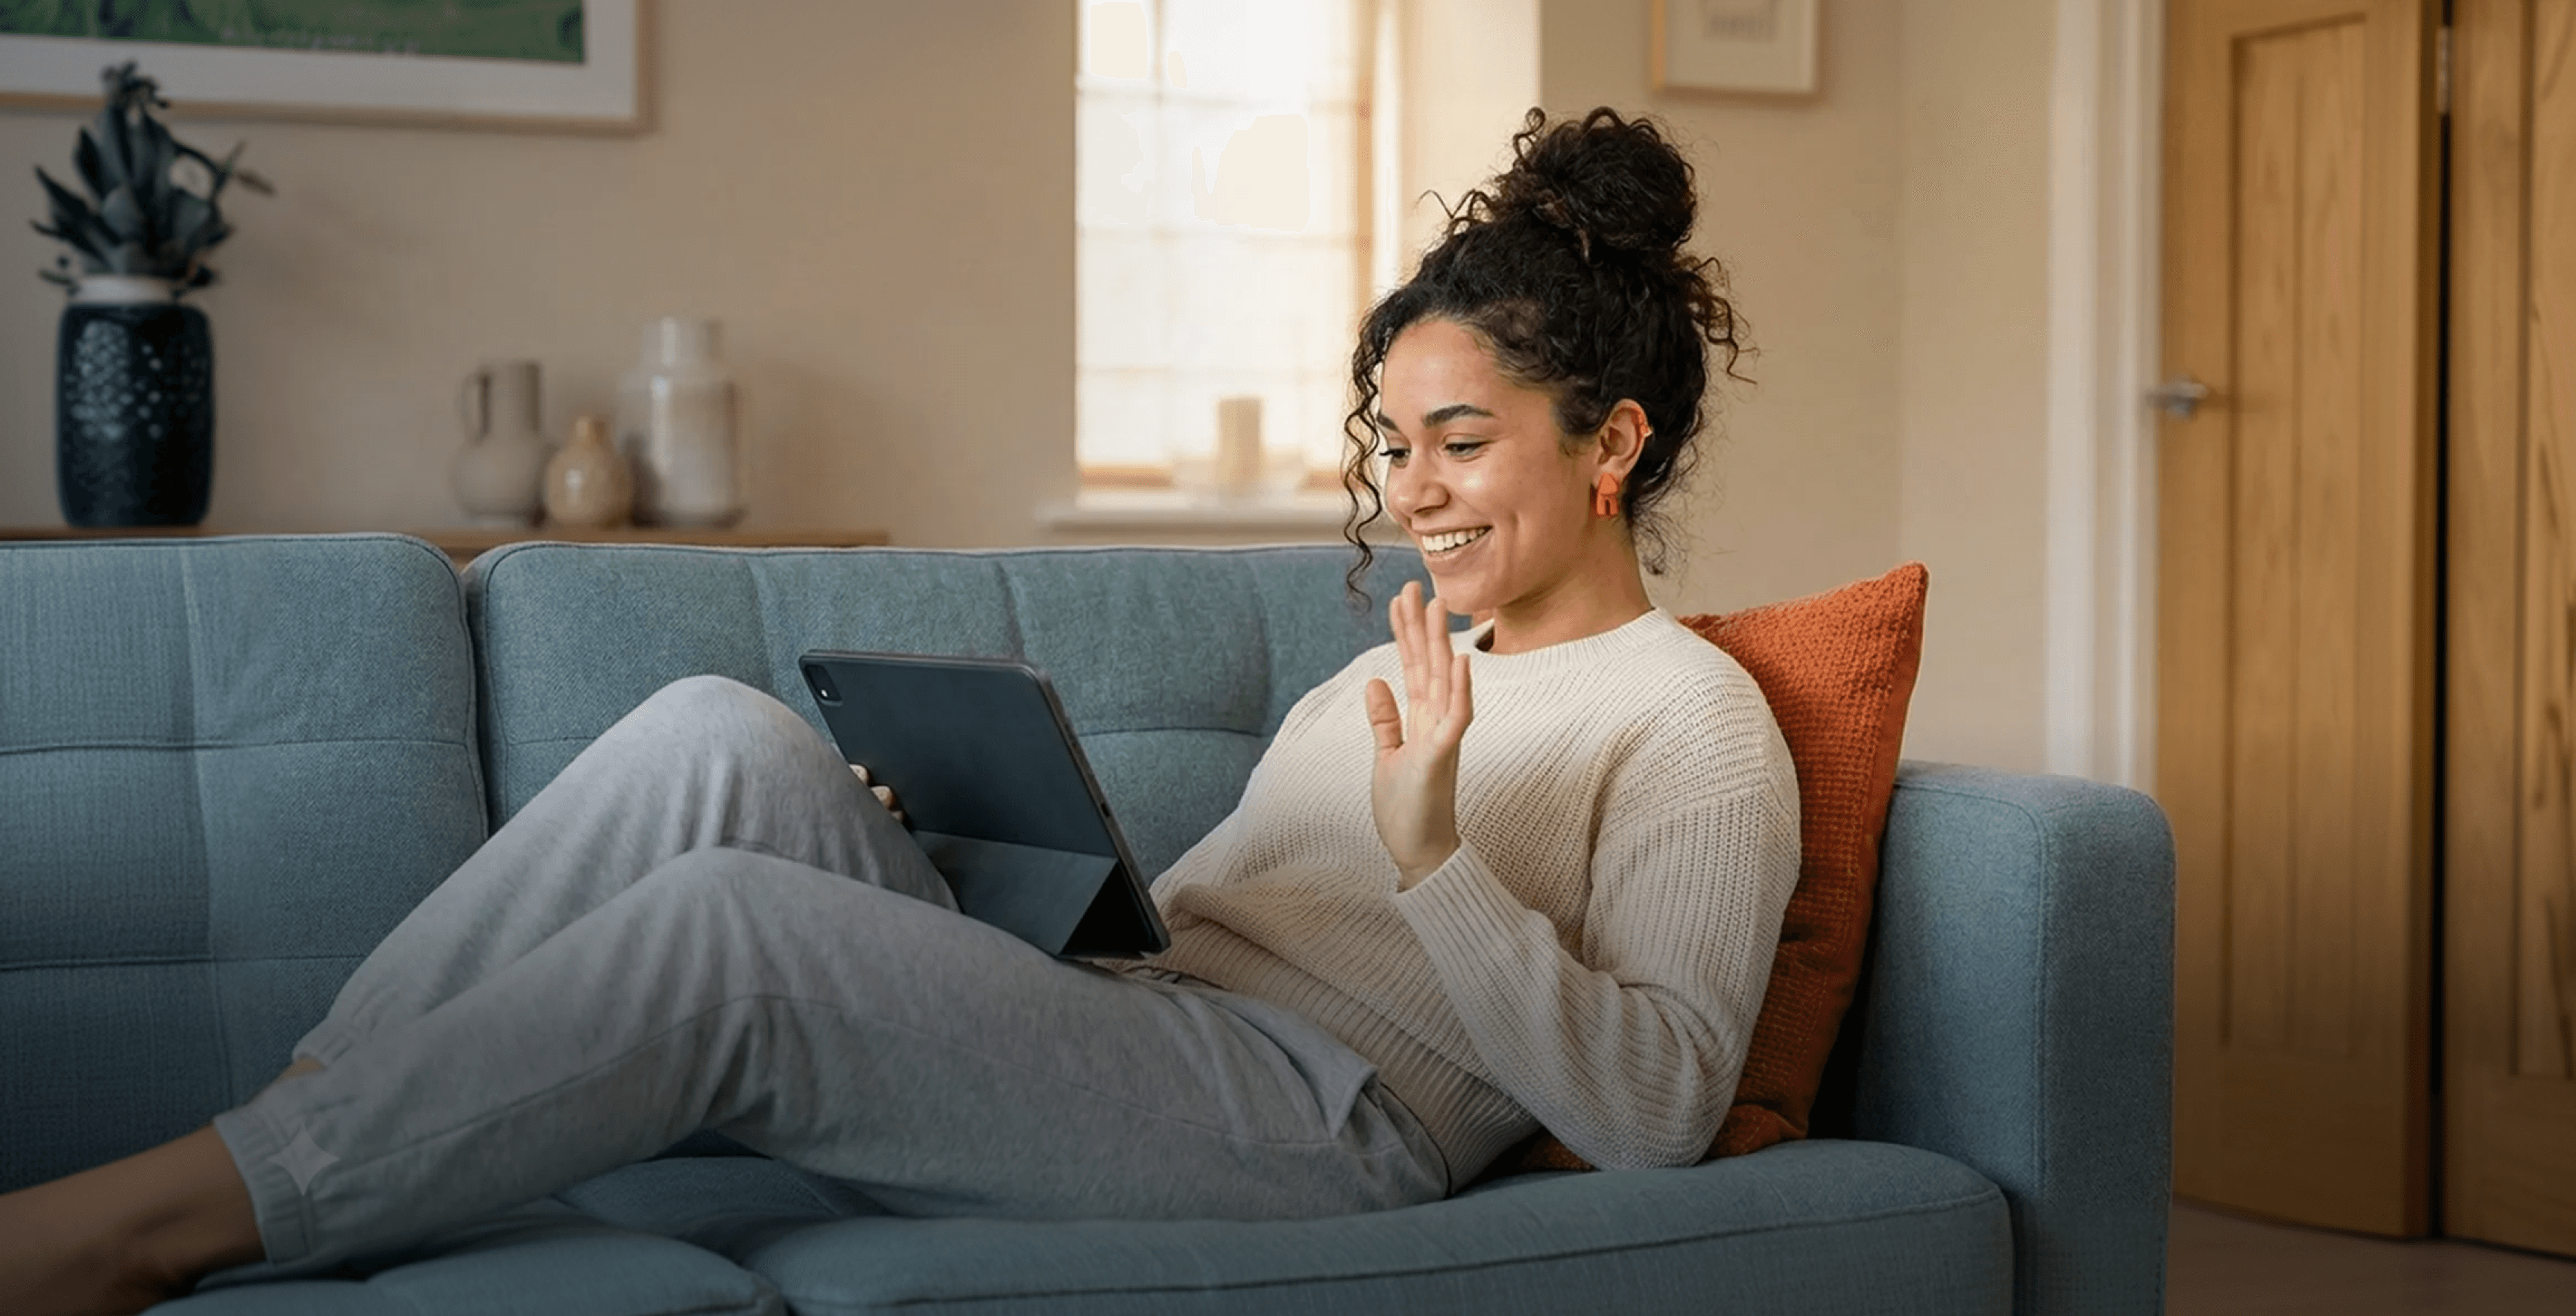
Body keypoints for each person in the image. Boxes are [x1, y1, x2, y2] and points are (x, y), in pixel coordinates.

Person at [0, 106, 1799, 1316]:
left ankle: (128, 1229)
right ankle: (328, 1121)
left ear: (1612, 443)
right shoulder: (1394, 665)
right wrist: (990, 881)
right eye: (1392, 445)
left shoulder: (1692, 721)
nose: (1410, 491)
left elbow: (1653, 1110)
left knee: (735, 935)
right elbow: (1206, 956)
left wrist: (1438, 868)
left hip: (1332, 1143)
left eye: (1461, 443)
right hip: (1171, 1049)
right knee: (721, 738)